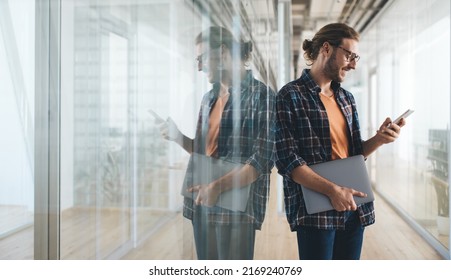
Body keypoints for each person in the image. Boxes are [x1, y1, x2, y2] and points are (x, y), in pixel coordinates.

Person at [274, 23, 406, 260]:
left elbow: (355, 153)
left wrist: (379, 139)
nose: (354, 64)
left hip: (354, 209)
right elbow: (287, 161)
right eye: (350, 55)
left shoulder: (347, 98)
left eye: (356, 57)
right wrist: (333, 191)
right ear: (326, 48)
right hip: (317, 211)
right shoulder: (289, 95)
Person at [158, 26, 275, 260]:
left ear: (222, 52)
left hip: (235, 209)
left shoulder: (262, 96)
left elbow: (260, 162)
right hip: (201, 201)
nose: (199, 67)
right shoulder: (208, 98)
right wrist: (178, 136)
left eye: (201, 58)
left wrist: (217, 187)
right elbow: (203, 153)